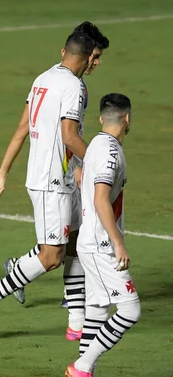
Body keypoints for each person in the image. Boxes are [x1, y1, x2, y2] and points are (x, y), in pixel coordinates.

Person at [0, 22, 109, 340]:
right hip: (51, 181)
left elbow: (23, 127)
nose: (97, 63)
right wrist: (100, 162)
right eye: (96, 57)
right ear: (87, 57)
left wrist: (3, 172)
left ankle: (78, 324)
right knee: (51, 256)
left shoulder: (43, 78)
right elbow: (69, 136)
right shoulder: (74, 88)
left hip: (62, 177)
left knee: (77, 244)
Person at [65, 93, 138, 377]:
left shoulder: (96, 144)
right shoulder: (110, 152)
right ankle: (81, 366)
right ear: (128, 119)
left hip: (91, 242)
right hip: (101, 245)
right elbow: (100, 199)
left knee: (96, 309)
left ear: (100, 119)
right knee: (130, 311)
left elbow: (85, 176)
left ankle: (85, 370)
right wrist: (118, 244)